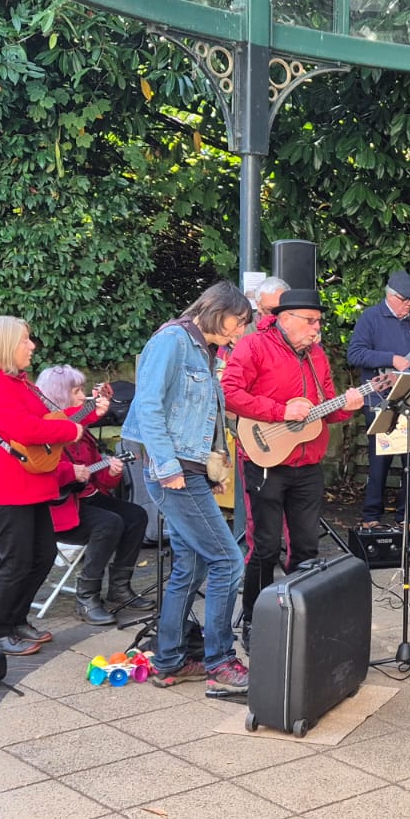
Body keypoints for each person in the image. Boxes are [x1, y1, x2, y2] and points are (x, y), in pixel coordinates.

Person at [122, 283, 254, 693]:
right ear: (217, 310)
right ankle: (219, 661)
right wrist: (167, 466)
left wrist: (218, 462)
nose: (240, 332)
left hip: (192, 469)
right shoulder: (172, 341)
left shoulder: (203, 349)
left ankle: (169, 660)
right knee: (228, 561)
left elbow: (208, 411)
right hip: (174, 471)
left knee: (190, 566)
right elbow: (148, 405)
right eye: (239, 322)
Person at [224, 288, 364, 647]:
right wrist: (279, 411)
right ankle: (254, 621)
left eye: (319, 321)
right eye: (310, 320)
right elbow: (228, 392)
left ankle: (299, 617)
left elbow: (324, 409)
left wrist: (349, 405)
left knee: (305, 546)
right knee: (265, 547)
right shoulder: (254, 345)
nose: (317, 328)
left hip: (307, 463)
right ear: (285, 319)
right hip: (265, 460)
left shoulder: (316, 355)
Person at [0, 316, 86, 656]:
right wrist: (69, 432)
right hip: (7, 489)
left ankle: (17, 620)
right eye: (25, 340)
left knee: (43, 555)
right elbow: (25, 429)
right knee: (17, 561)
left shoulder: (17, 383)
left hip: (31, 485)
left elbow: (50, 420)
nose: (32, 346)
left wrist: (87, 414)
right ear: (5, 345)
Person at [36, 365, 152, 625]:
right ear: (60, 396)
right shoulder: (46, 431)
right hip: (59, 508)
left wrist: (112, 471)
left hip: (85, 498)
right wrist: (71, 472)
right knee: (109, 523)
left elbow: (100, 480)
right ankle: (86, 597)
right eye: (76, 391)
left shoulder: (82, 434)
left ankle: (119, 589)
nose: (82, 397)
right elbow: (44, 475)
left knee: (136, 515)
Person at [347, 270, 410, 529]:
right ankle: (372, 515)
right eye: (405, 300)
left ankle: (408, 517)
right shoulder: (370, 317)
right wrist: (390, 359)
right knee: (380, 460)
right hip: (379, 399)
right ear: (391, 296)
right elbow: (355, 354)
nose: (409, 305)